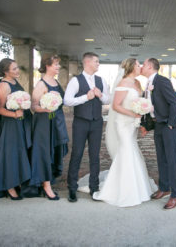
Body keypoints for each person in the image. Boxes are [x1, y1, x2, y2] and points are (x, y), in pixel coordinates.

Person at [90, 58, 157, 207]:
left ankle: (137, 186)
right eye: (138, 64)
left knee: (132, 150)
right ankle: (124, 191)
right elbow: (115, 106)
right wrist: (134, 114)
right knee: (126, 151)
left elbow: (140, 102)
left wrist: (142, 112)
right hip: (123, 123)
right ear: (132, 67)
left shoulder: (138, 83)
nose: (141, 67)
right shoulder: (123, 83)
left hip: (133, 124)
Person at [64, 52, 110, 202]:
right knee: (76, 154)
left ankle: (94, 188)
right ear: (87, 62)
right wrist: (86, 97)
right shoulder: (76, 81)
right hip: (81, 122)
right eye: (96, 61)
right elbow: (67, 101)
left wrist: (100, 95)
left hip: (97, 122)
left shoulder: (101, 80)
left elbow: (107, 99)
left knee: (95, 156)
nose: (98, 64)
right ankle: (72, 188)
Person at [140, 58, 176, 209]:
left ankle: (175, 195)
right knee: (161, 158)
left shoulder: (162, 81)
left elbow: (174, 102)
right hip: (158, 125)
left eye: (143, 64)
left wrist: (171, 123)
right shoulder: (147, 83)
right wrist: (146, 124)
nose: (141, 66)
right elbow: (150, 107)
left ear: (150, 66)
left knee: (171, 160)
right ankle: (164, 188)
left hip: (167, 126)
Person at [27, 55, 69, 200]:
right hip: (44, 123)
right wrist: (46, 109)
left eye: (58, 64)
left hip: (57, 121)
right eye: (55, 65)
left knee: (54, 151)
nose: (58, 67)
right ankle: (46, 186)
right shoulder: (41, 84)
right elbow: (34, 106)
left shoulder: (55, 81)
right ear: (47, 66)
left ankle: (49, 179)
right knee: (44, 153)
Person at [0, 58, 32, 200]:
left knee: (19, 153)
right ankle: (9, 186)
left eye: (17, 67)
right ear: (5, 71)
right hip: (10, 125)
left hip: (20, 122)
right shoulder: (4, 86)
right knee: (10, 155)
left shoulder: (14, 81)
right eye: (14, 69)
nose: (17, 70)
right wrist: (14, 114)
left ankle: (18, 181)